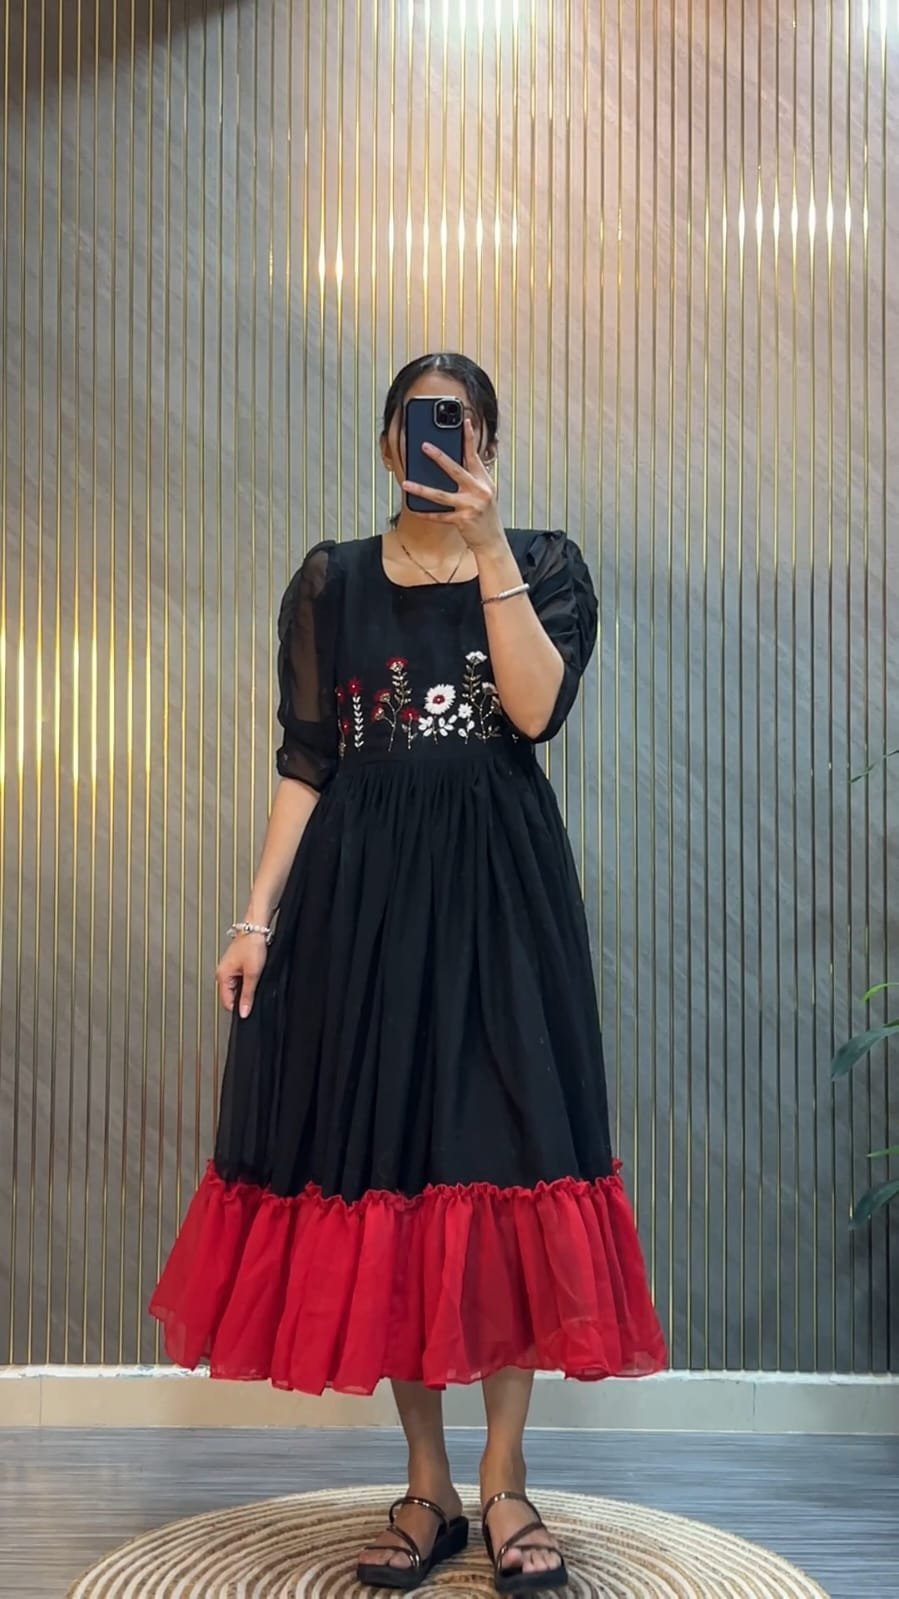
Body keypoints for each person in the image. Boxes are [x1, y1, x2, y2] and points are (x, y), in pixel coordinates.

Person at [150, 352, 666, 1593]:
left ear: (487, 444)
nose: (441, 444)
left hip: (499, 905)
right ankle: (426, 1484)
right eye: (422, 425)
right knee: (390, 1169)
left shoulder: (543, 563)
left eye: (464, 426)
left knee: (511, 1165)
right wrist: (254, 920)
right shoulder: (328, 580)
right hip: (365, 909)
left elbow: (534, 714)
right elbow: (306, 759)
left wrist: (486, 547)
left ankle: (504, 1476)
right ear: (390, 443)